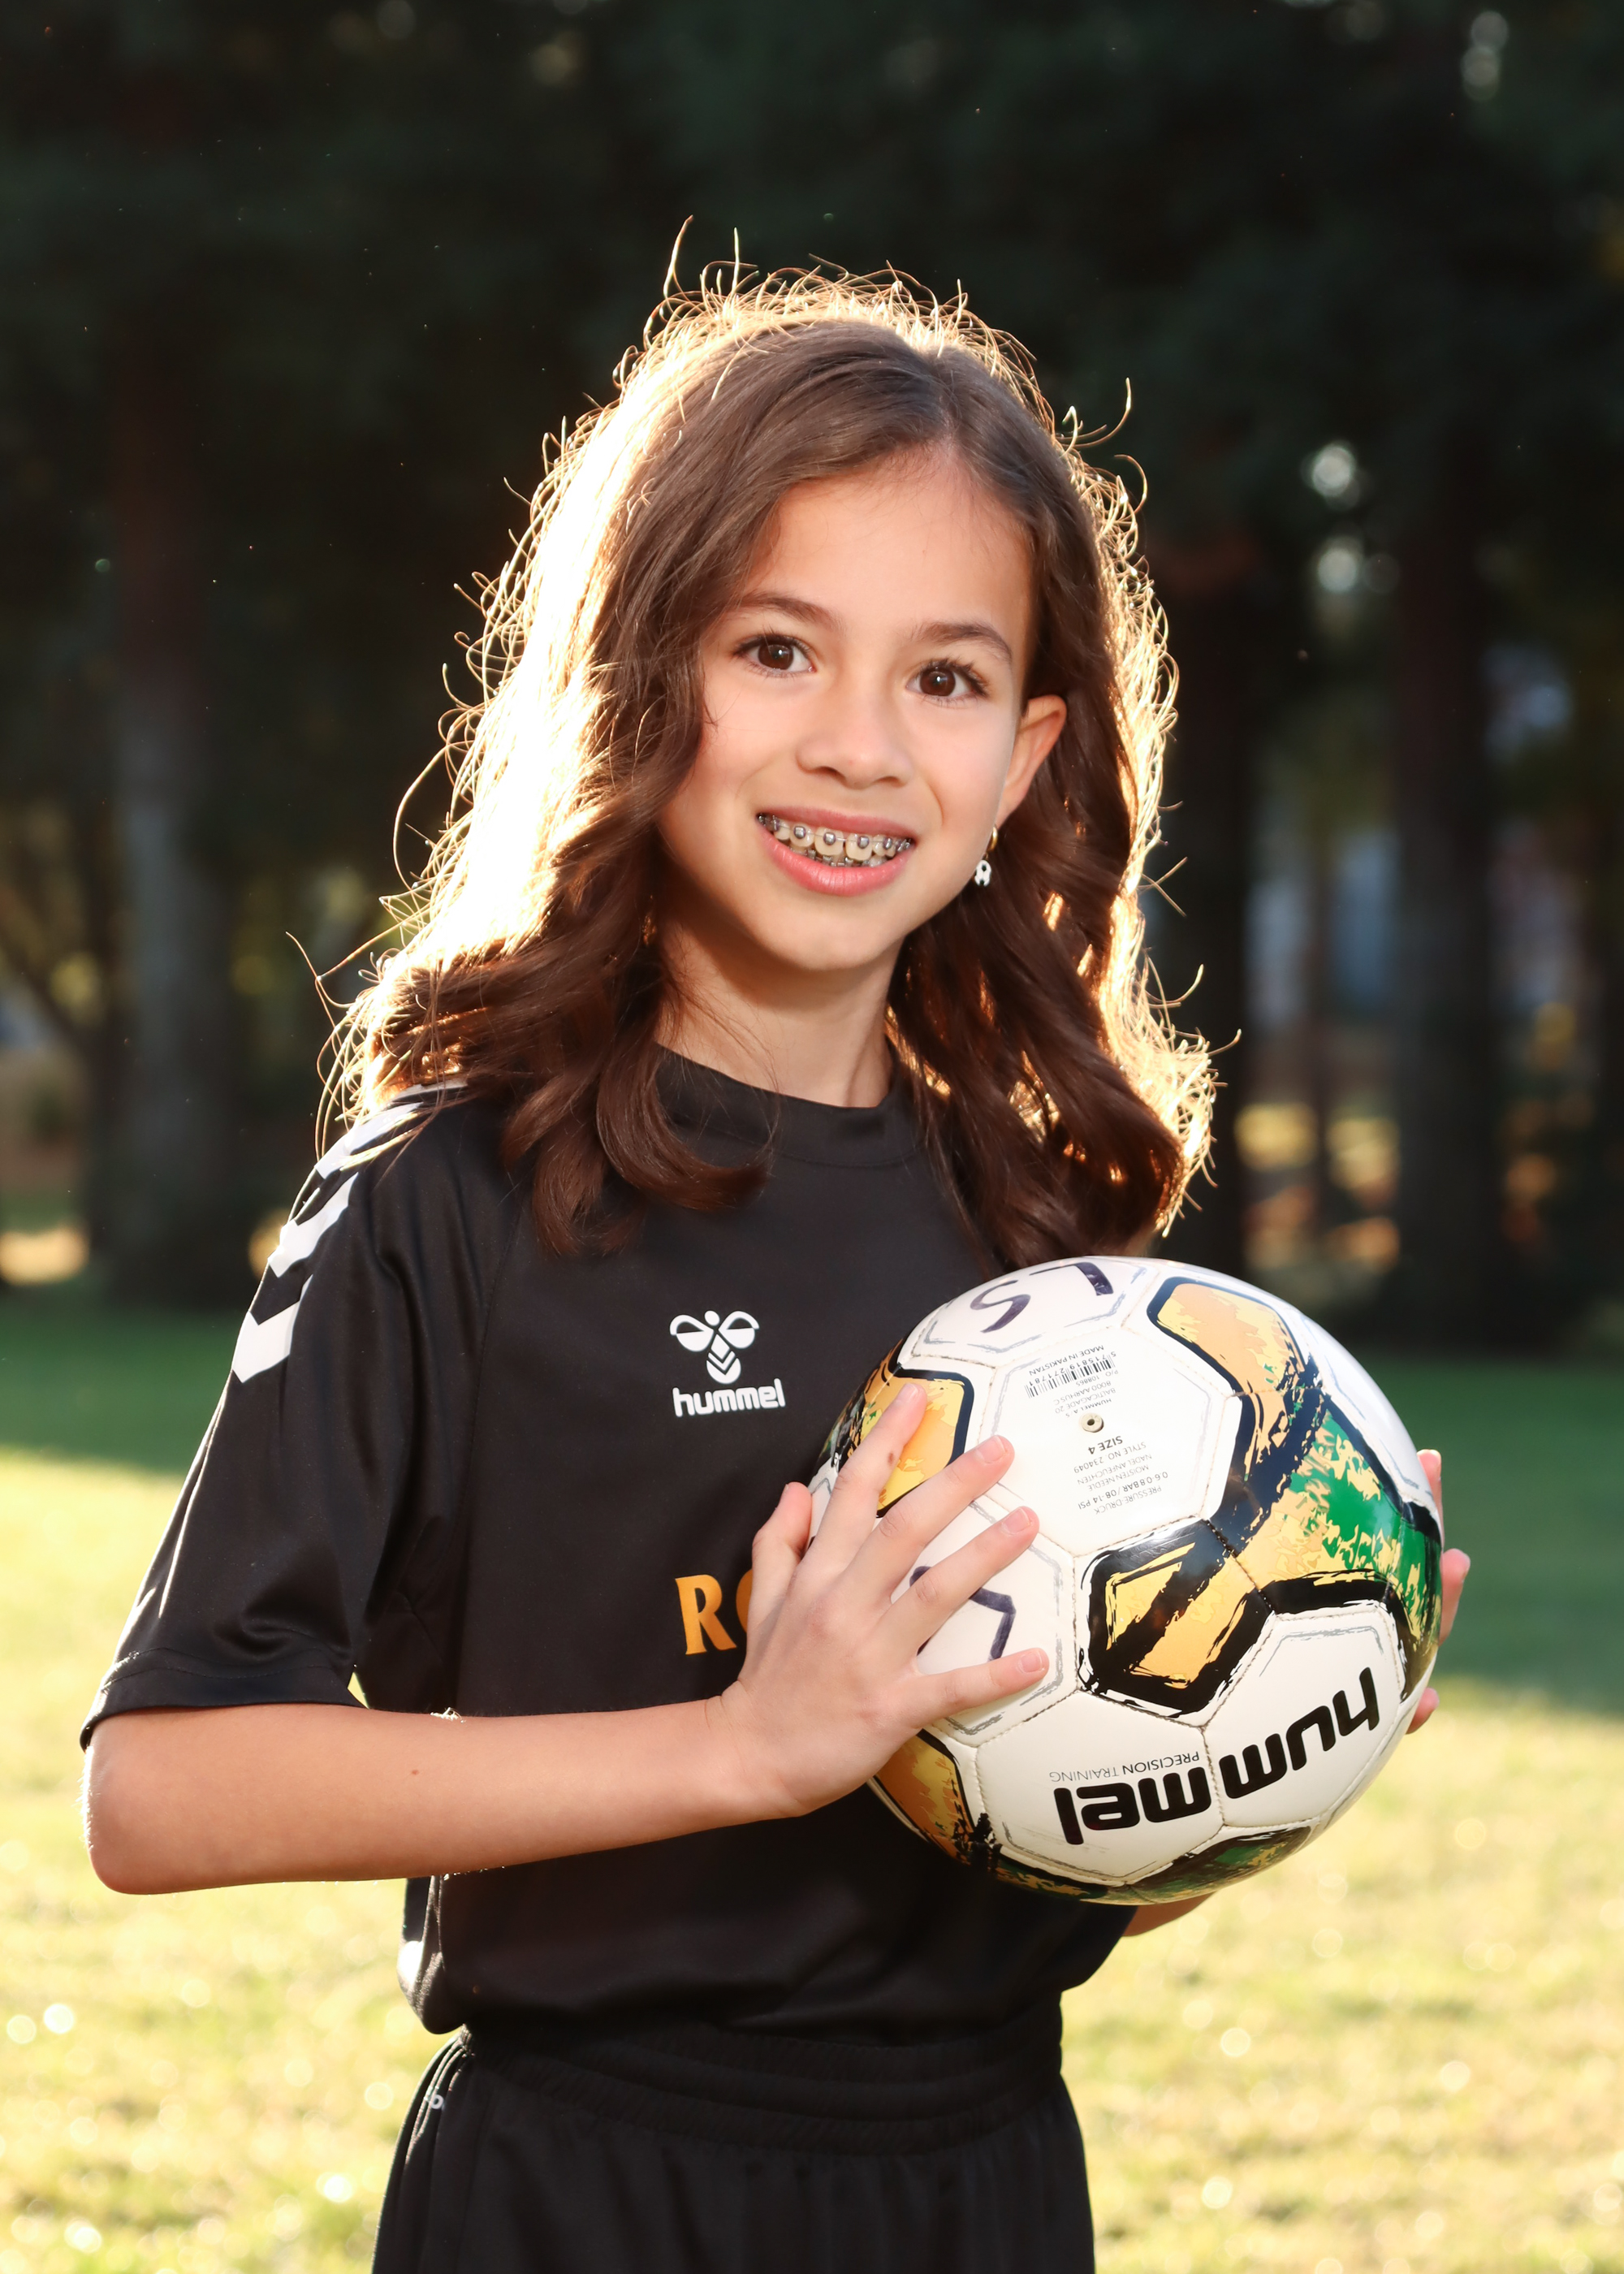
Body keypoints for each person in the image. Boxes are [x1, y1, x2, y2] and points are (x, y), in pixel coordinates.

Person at [81, 273, 1467, 2274]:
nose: (858, 746)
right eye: (776, 649)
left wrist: (1264, 1730)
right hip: (590, 2189)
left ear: (1026, 751)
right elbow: (163, 1785)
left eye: (945, 677)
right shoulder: (452, 1194)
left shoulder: (1043, 1231)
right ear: (641, 675)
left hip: (985, 2185)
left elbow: (1027, 1849)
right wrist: (744, 1743)